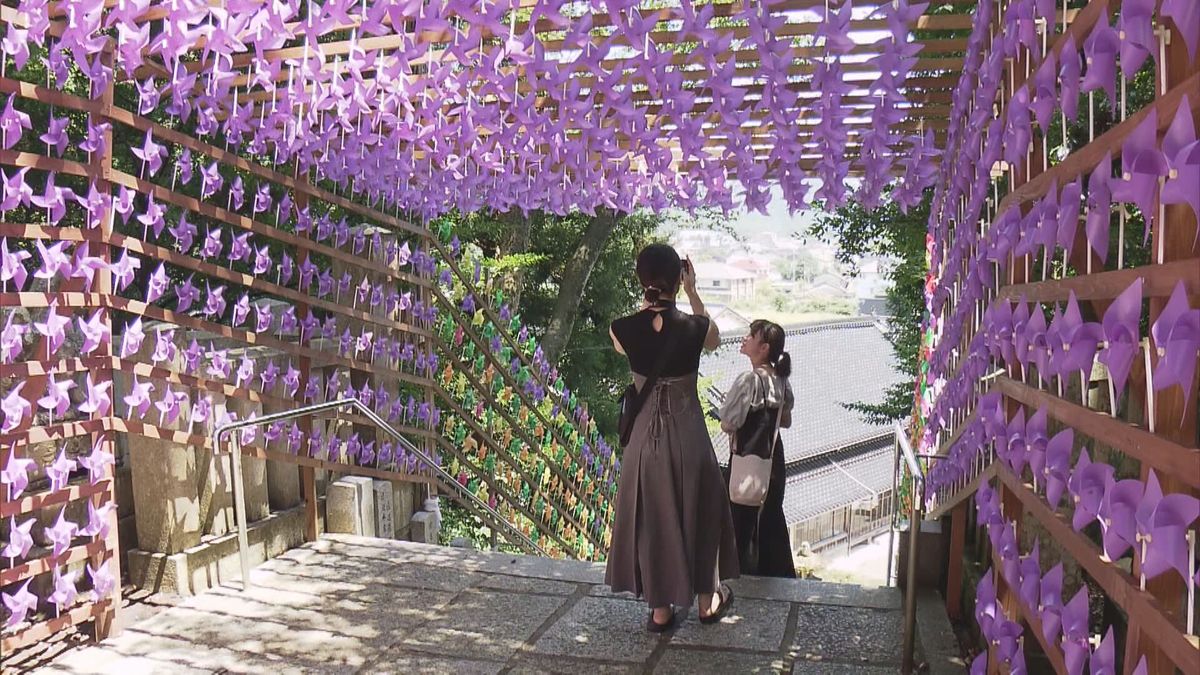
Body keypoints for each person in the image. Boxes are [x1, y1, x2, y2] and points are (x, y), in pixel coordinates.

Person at [605, 243, 739, 632]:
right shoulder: (695, 327)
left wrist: (650, 304)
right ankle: (706, 600)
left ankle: (661, 608)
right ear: (679, 279)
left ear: (641, 279)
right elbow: (714, 340)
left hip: (645, 441)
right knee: (703, 507)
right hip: (689, 432)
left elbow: (635, 338)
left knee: (653, 516)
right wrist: (694, 293)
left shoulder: (621, 328)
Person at [718, 320, 796, 578]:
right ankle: (774, 574)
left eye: (751, 336)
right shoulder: (782, 380)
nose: (745, 338)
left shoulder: (749, 380)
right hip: (773, 458)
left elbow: (728, 423)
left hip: (746, 459)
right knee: (771, 517)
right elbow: (785, 420)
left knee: (740, 518)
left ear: (763, 348)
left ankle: (736, 574)